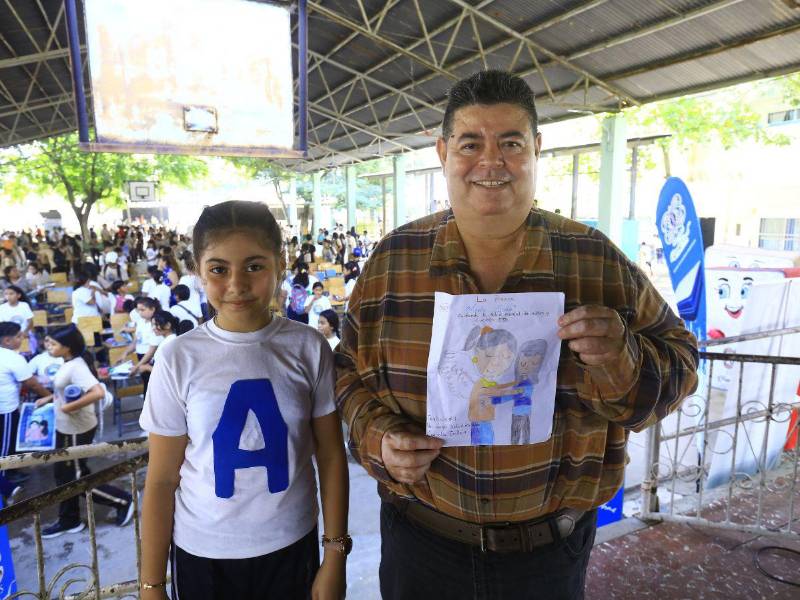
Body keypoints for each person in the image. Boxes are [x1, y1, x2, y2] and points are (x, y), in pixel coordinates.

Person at [335, 70, 699, 600]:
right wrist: (379, 442)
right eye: (469, 143)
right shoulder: (394, 262)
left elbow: (684, 363)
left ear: (536, 150)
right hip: (421, 546)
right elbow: (347, 372)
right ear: (442, 152)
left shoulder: (594, 261)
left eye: (510, 143)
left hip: (548, 558)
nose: (490, 162)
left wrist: (621, 355)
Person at [139, 200, 349, 599]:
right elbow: (162, 480)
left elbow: (331, 455)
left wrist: (335, 553)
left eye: (254, 266)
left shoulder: (308, 346)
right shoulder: (177, 357)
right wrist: (151, 585)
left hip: (292, 544)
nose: (236, 284)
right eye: (219, 269)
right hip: (204, 554)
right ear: (199, 271)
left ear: (279, 265)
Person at [35, 325, 133, 538]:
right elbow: (69, 389)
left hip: (76, 430)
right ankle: (69, 520)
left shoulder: (77, 366)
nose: (48, 346)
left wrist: (68, 407)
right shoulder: (69, 362)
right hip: (66, 427)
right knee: (64, 476)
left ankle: (123, 500)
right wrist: (50, 398)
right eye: (48, 342)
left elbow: (97, 392)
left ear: (67, 347)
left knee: (76, 479)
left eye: (53, 343)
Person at [0, 322, 50, 502]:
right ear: (7, 340)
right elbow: (32, 384)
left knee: (10, 442)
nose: (23, 339)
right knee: (4, 449)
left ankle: (12, 472)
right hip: (5, 409)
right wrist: (50, 396)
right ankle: (5, 489)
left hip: (7, 405)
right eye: (19, 336)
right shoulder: (12, 358)